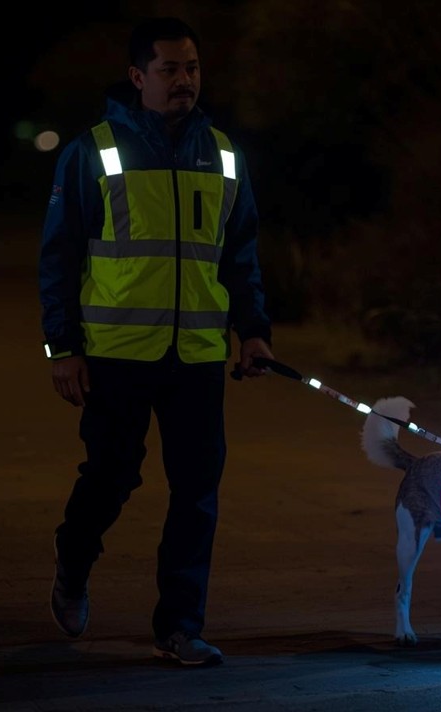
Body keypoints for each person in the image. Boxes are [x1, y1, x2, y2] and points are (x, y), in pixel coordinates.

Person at [37, 16, 274, 667]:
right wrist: (61, 347)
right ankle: (73, 560)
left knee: (196, 492)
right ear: (137, 77)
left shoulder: (223, 155)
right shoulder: (94, 151)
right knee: (111, 477)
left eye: (191, 68)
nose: (183, 80)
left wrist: (253, 332)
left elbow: (241, 254)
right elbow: (58, 256)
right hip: (115, 355)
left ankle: (179, 627)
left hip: (196, 357)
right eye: (169, 69)